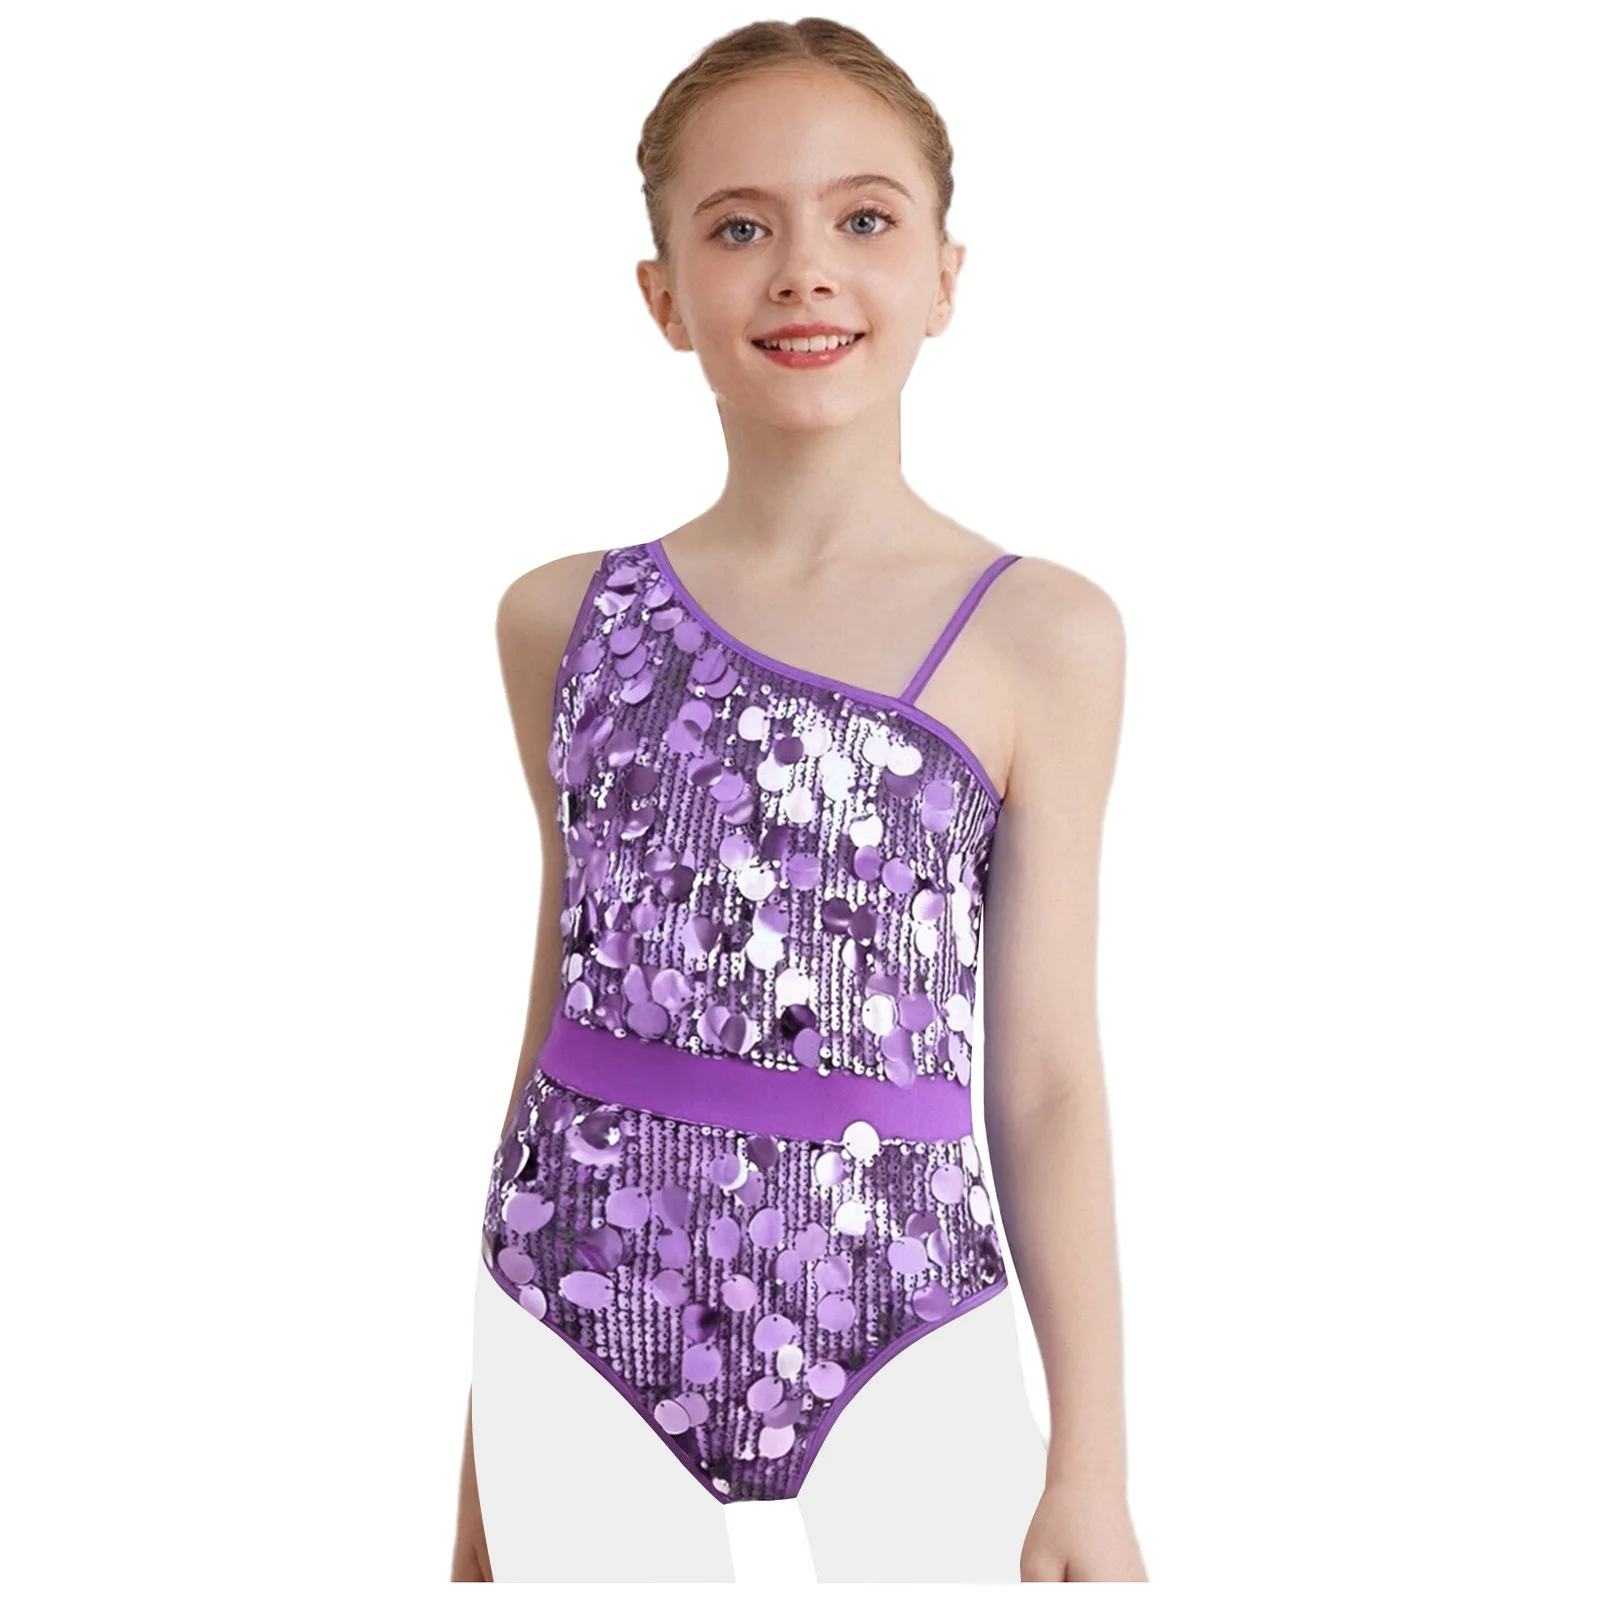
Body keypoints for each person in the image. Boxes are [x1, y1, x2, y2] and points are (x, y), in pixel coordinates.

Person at [451, 17, 1145, 1584]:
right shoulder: (562, 621)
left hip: (902, 1316)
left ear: (945, 276)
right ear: (663, 296)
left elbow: (1045, 1078)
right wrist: (481, 1464)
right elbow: (555, 1021)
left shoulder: (1043, 636)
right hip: (573, 1319)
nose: (805, 271)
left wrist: (1091, 1469)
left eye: (864, 219)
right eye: (740, 228)